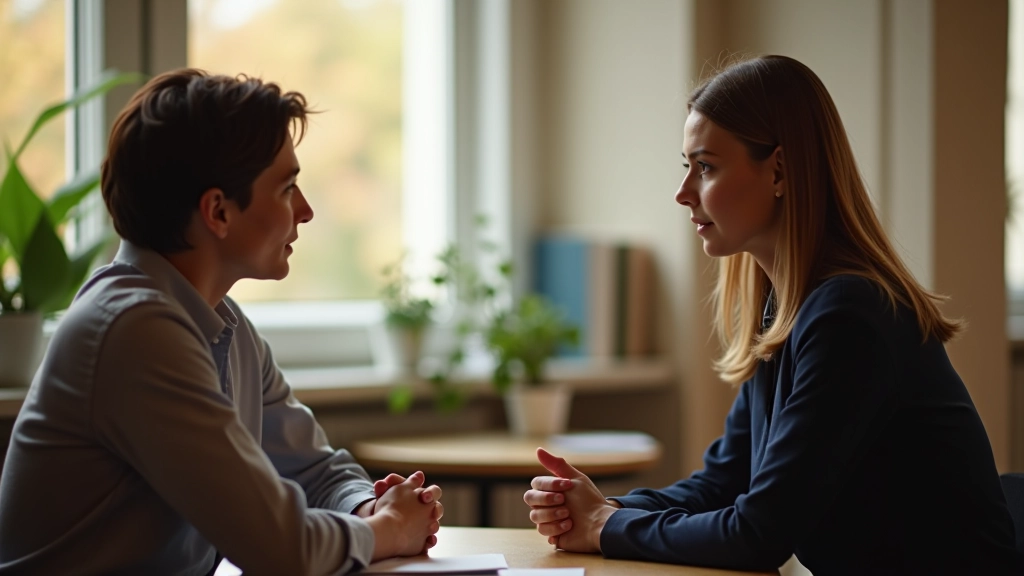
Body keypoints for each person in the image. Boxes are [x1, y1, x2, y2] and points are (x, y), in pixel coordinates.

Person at [523, 55, 1023, 575]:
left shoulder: (850, 316)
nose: (683, 192)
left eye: (707, 167)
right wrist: (608, 509)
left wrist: (604, 525)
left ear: (779, 170)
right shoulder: (786, 309)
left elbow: (759, 533)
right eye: (686, 166)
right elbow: (725, 480)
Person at [0, 69, 442, 575]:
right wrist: (389, 530)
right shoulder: (134, 330)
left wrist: (369, 507)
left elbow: (315, 470)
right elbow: (282, 549)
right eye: (286, 189)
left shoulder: (223, 325)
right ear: (218, 212)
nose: (307, 211)